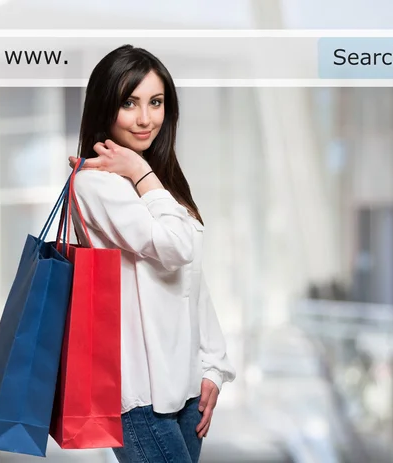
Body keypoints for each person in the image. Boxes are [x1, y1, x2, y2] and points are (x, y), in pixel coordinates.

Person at [67, 44, 236, 463]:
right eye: (130, 103)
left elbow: (191, 278)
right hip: (138, 397)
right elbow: (175, 247)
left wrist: (213, 367)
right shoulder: (97, 185)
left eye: (156, 102)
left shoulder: (155, 181)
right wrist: (142, 173)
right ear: (106, 107)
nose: (146, 119)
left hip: (184, 391)